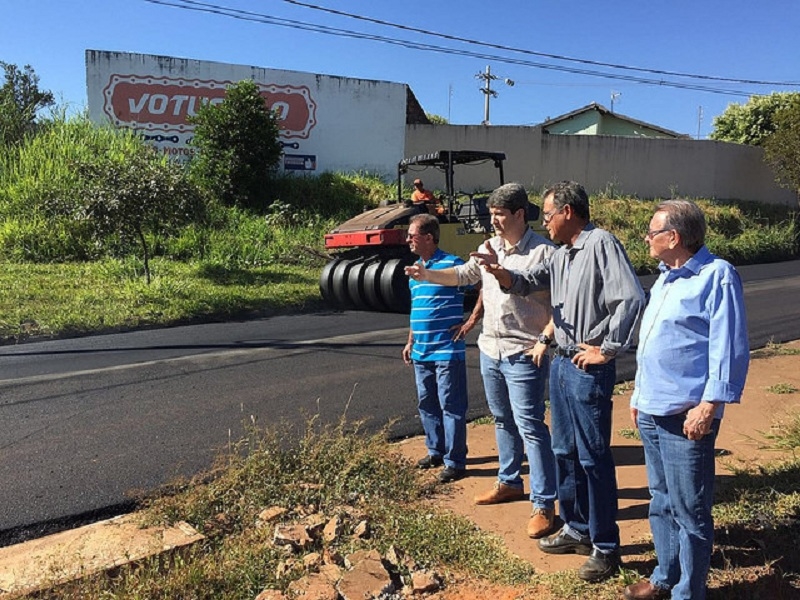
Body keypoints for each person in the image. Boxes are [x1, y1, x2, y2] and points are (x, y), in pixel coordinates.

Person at [471, 180, 645, 582]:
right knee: (564, 450)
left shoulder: (601, 244)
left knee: (593, 457)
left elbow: (631, 298)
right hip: (562, 363)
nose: (544, 221)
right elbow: (528, 279)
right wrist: (501, 272)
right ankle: (576, 527)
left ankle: (605, 545)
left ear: (568, 212)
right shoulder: (561, 254)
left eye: (548, 214)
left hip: (587, 368)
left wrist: (608, 347)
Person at [406, 183, 559, 539]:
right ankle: (509, 482)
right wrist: (426, 274)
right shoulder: (489, 247)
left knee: (531, 427)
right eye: (490, 214)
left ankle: (544, 503)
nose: (493, 221)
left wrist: (544, 340)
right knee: (503, 420)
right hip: (491, 349)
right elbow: (462, 275)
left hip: (524, 351)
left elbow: (562, 304)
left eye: (499, 215)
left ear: (520, 214)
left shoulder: (544, 253)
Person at [623, 200, 749, 600]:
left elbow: (728, 347)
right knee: (660, 500)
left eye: (652, 232)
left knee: (690, 511)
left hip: (686, 416)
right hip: (653, 410)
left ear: (673, 237)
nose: (647, 238)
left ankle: (688, 592)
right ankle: (664, 577)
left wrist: (709, 405)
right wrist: (639, 394)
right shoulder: (665, 278)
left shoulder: (717, 276)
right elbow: (654, 343)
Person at [402, 213, 469, 484]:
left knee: (451, 405)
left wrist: (470, 322)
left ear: (428, 238)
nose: (407, 240)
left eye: (412, 235)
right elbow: (416, 308)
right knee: (427, 403)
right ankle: (436, 451)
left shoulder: (453, 265)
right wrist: (410, 340)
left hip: (447, 350)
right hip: (422, 351)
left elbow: (484, 289)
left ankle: (455, 461)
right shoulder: (415, 271)